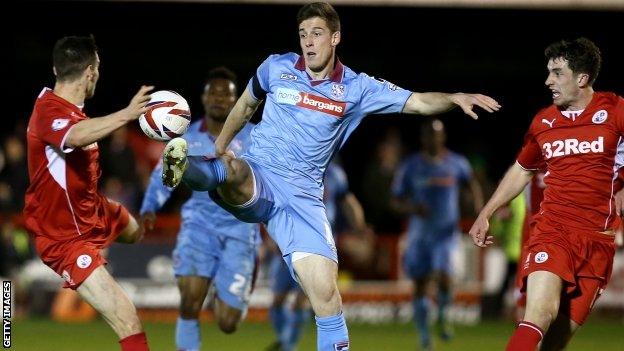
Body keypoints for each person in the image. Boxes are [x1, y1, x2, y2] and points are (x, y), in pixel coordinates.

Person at [161, 3, 500, 350]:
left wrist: (454, 97)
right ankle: (185, 166)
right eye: (303, 34)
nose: (308, 42)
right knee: (230, 170)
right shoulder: (275, 67)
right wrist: (220, 145)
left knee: (326, 296)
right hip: (260, 172)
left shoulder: (357, 88)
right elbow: (246, 104)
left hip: (304, 198)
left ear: (335, 37)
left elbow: (417, 102)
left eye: (317, 34)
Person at [469, 37, 619, 351]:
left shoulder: (616, 112)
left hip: (598, 243)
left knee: (554, 343)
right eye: (548, 72)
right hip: (553, 232)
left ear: (582, 78)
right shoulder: (544, 121)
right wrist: (487, 211)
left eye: (557, 73)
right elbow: (522, 169)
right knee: (540, 312)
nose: (548, 81)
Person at [23, 35, 153, 351]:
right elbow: (77, 136)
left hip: (93, 210)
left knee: (138, 231)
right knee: (127, 318)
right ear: (91, 72)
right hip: (64, 237)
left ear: (56, 67)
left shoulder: (74, 112)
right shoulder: (48, 112)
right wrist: (126, 114)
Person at [140, 67, 260, 351]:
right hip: (199, 226)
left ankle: (227, 285)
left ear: (236, 101)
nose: (219, 98)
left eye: (226, 94)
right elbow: (162, 176)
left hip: (240, 230)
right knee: (190, 300)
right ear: (204, 99)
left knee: (228, 323)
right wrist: (149, 207)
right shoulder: (186, 138)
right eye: (213, 93)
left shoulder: (256, 137)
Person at [391, 118, 483, 351]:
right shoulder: (411, 166)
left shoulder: (456, 163)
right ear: (423, 138)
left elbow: (471, 183)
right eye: (429, 135)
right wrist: (412, 208)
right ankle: (424, 335)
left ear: (443, 137)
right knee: (421, 285)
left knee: (446, 277)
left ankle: (442, 314)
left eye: (438, 134)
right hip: (420, 235)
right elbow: (395, 200)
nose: (434, 139)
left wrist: (478, 208)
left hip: (446, 234)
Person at [266, 161, 368, 351]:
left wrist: (360, 229)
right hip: (288, 241)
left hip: (318, 245)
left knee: (302, 300)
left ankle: (289, 345)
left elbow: (348, 201)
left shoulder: (335, 174)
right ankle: (285, 339)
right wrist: (271, 236)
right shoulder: (292, 165)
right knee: (277, 302)